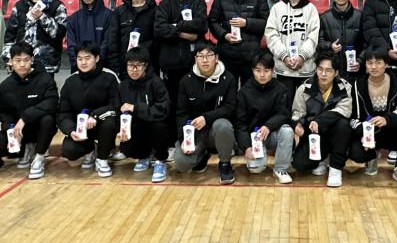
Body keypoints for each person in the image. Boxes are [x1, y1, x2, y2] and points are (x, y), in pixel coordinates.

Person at [0, 42, 58, 179]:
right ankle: (25, 149)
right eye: (18, 60)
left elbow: (51, 103)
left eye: (26, 60)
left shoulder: (45, 79)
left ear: (32, 60)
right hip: (18, 130)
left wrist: (25, 117)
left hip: (38, 127)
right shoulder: (5, 86)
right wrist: (10, 130)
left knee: (48, 120)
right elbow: (3, 112)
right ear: (11, 62)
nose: (22, 64)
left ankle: (39, 156)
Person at [349, 45, 397, 188]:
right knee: (356, 153)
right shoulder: (357, 85)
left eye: (378, 62)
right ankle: (371, 157)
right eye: (370, 63)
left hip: (393, 130)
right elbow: (353, 117)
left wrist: (387, 119)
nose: (374, 67)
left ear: (387, 64)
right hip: (370, 134)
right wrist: (363, 132)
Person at [173, 41, 237, 183]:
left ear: (217, 58)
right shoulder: (186, 81)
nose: (205, 60)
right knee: (181, 163)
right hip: (195, 132)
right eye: (200, 56)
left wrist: (206, 118)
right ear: (195, 59)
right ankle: (201, 155)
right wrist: (183, 139)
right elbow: (181, 113)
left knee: (223, 125)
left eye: (209, 55)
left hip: (217, 130)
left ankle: (225, 164)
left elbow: (230, 108)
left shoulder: (228, 78)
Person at [154, 0, 208, 123]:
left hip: (192, 61)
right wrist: (184, 33)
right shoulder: (165, 4)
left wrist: (174, 25)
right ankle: (173, 134)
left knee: (193, 101)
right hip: (170, 62)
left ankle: (193, 131)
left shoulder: (199, 2)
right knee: (171, 101)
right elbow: (159, 29)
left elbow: (200, 26)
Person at [57, 43, 121, 176]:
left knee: (109, 123)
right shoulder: (70, 81)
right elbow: (63, 113)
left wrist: (95, 115)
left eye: (87, 58)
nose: (83, 62)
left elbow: (116, 105)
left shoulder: (109, 76)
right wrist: (71, 130)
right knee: (69, 150)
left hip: (103, 125)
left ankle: (102, 159)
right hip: (81, 129)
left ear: (96, 58)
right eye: (80, 59)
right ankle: (91, 150)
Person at [291, 52, 354, 187]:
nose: (323, 74)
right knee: (300, 164)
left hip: (335, 134)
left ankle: (335, 168)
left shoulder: (345, 88)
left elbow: (344, 111)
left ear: (336, 72)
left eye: (328, 70)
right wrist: (298, 124)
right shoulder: (304, 88)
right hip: (313, 135)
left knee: (343, 124)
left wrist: (319, 121)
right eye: (320, 69)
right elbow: (297, 113)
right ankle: (323, 158)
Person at [209, 0, 270, 87]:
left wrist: (247, 23)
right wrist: (224, 35)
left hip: (250, 56)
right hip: (227, 54)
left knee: (249, 92)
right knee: (226, 91)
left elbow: (266, 23)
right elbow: (212, 21)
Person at [234, 51, 293, 183]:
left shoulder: (281, 89)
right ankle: (261, 154)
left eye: (266, 71)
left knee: (287, 130)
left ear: (273, 70)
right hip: (254, 138)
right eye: (258, 70)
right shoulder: (244, 92)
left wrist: (268, 126)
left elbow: (284, 114)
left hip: (273, 134)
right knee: (255, 169)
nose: (262, 75)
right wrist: (246, 146)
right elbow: (240, 123)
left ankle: (281, 169)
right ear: (252, 71)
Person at [115, 46, 171, 183]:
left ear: (145, 66)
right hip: (136, 127)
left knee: (160, 126)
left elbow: (163, 109)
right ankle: (143, 156)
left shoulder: (156, 83)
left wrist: (136, 108)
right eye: (130, 65)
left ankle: (160, 160)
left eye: (138, 65)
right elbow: (117, 111)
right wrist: (119, 129)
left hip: (154, 125)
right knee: (127, 148)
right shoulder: (122, 86)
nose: (134, 70)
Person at [2, 0, 68, 74]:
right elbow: (10, 34)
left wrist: (42, 17)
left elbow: (59, 33)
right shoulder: (20, 5)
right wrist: (8, 56)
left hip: (46, 63)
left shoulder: (56, 6)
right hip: (22, 62)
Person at [265, 0, 320, 91]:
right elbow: (271, 35)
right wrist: (284, 56)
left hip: (305, 68)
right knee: (284, 102)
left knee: (305, 102)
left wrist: (302, 56)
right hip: (283, 69)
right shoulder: (277, 8)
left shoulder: (311, 9)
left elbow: (313, 36)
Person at [108, 0, 160, 75]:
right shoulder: (119, 11)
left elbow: (158, 39)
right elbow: (113, 40)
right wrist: (115, 66)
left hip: (148, 65)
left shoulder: (155, 11)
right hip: (125, 65)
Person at [318, 0, 365, 82]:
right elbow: (319, 43)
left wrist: (360, 61)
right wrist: (330, 46)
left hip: (356, 70)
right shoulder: (324, 18)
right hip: (333, 71)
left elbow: (367, 43)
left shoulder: (360, 16)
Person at [65, 0, 114, 67]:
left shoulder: (109, 16)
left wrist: (95, 62)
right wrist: (78, 63)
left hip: (102, 66)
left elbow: (107, 42)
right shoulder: (73, 18)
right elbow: (71, 45)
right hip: (79, 66)